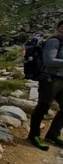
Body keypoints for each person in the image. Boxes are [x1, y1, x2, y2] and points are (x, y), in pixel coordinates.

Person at [28, 21, 63, 150]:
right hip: (50, 79)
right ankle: (34, 135)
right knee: (43, 106)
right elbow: (49, 60)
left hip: (61, 79)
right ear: (60, 28)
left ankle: (52, 135)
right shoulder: (54, 41)